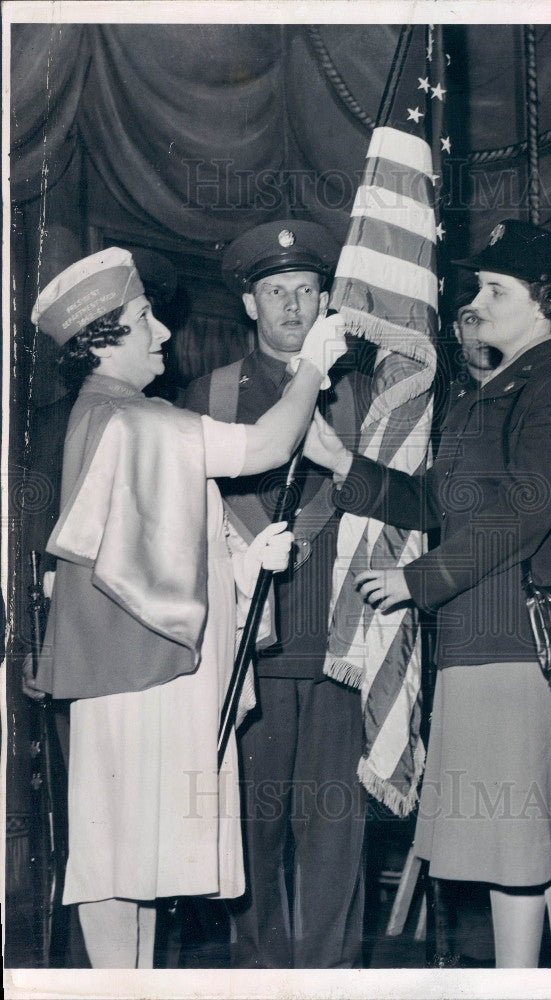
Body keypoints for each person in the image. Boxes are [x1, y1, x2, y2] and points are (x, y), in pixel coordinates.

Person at [305, 220, 551, 968]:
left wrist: (419, 582)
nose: (473, 302)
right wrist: (345, 465)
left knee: (548, 837)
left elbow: (522, 510)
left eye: (495, 290)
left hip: (520, 643)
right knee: (534, 837)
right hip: (490, 641)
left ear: (545, 303)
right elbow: (434, 504)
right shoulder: (491, 392)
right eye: (476, 287)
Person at [28, 246, 346, 967]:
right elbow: (265, 445)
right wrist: (312, 369)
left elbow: (154, 548)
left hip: (131, 673)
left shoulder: (111, 417)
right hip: (138, 679)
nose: (164, 335)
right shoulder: (132, 420)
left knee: (134, 864)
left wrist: (240, 562)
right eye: (145, 321)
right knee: (119, 865)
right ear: (103, 335)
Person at [184, 220, 369, 969]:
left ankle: (335, 982)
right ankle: (256, 979)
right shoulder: (211, 393)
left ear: (325, 298)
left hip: (338, 647)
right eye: (275, 292)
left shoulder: (364, 396)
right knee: (250, 838)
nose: (292, 306)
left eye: (305, 290)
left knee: (334, 839)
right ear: (250, 305)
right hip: (250, 648)